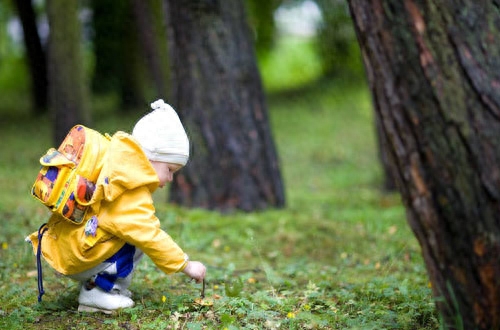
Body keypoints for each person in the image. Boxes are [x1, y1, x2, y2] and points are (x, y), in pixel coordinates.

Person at [26, 99, 206, 314]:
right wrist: (186, 265)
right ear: (151, 158)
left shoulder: (117, 166)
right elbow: (149, 235)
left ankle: (104, 287)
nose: (170, 178)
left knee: (132, 237)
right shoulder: (129, 187)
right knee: (136, 239)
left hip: (69, 244)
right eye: (169, 169)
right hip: (77, 254)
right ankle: (98, 293)